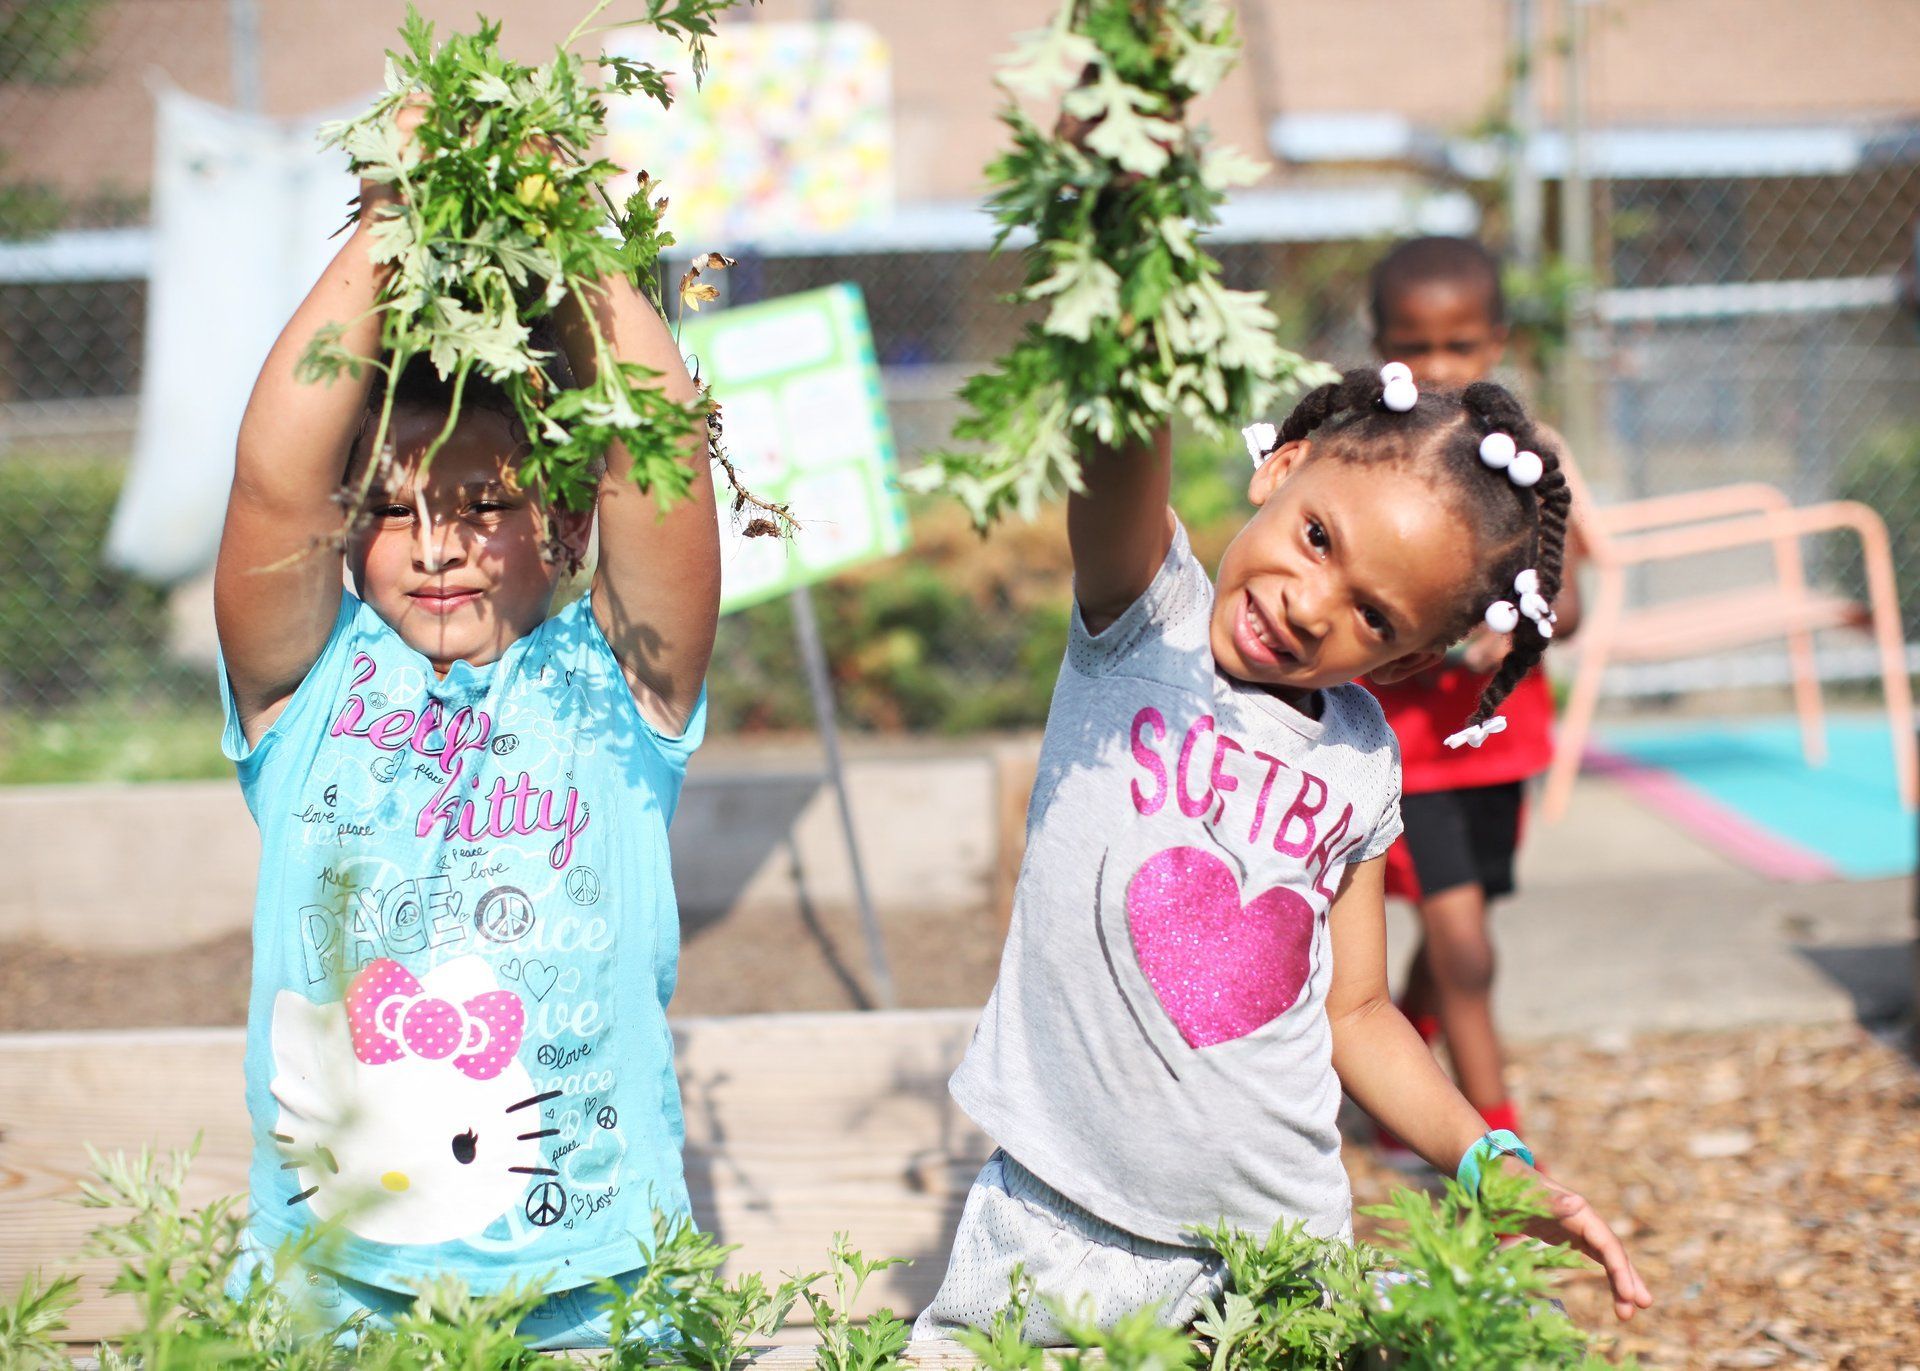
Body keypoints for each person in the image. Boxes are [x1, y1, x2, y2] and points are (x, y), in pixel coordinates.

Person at [911, 362, 1650, 1343]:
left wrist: (1487, 1160)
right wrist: (1133, 307)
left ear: (1404, 662)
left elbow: (1359, 1010)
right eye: (1317, 538)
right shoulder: (1143, 621)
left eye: (1373, 615)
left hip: (1277, 1249)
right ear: (1283, 467)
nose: (1311, 604)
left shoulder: (1360, 759)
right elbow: (1120, 451)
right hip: (1055, 1222)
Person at [213, 101, 719, 1349]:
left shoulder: (616, 687)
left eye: (481, 502)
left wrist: (574, 246)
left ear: (561, 519)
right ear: (347, 534)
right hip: (329, 1292)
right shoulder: (309, 694)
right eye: (392, 513)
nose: (436, 548)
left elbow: (658, 459)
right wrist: (389, 222)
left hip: (596, 1296)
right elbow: (272, 481)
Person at [1362, 236, 1582, 1164]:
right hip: (1411, 740)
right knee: (1463, 942)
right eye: (1414, 346)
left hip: (1496, 737)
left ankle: (1390, 1066)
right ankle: (1494, 1140)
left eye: (1458, 346)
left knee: (1464, 926)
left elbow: (1564, 600)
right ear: (1381, 345)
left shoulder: (1530, 458)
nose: (1438, 367)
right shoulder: (1373, 452)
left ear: (1495, 345)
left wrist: (1521, 620)